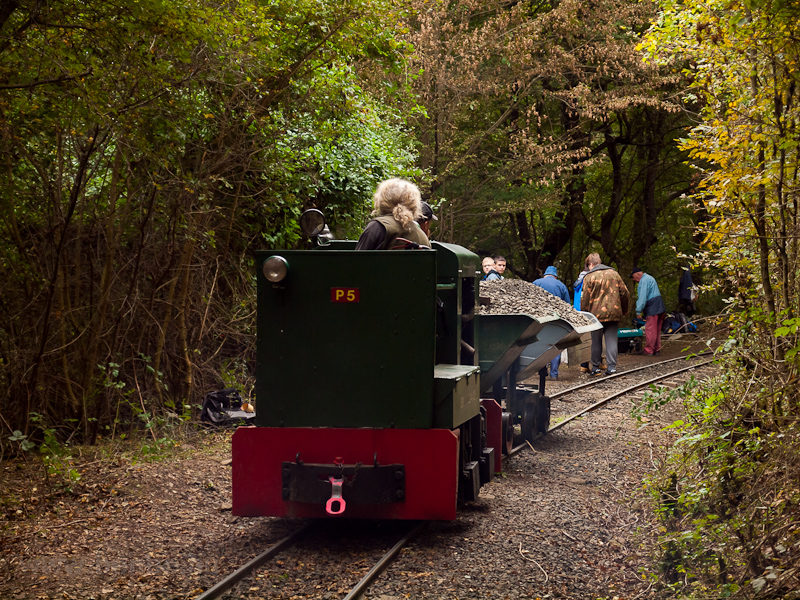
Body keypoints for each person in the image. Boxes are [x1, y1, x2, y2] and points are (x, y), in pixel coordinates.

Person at [581, 253, 630, 376]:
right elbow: (625, 293)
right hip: (614, 313)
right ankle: (611, 367)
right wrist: (624, 310)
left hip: (596, 315)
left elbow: (585, 298)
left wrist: (585, 314)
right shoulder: (614, 274)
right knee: (611, 339)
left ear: (591, 264)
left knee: (596, 341)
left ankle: (596, 368)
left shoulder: (589, 277)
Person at [355, 179, 430, 250]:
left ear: (382, 200)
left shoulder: (377, 227)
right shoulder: (422, 237)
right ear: (414, 204)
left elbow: (357, 262)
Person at [533, 266, 571, 380]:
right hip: (556, 320)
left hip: (540, 319)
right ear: (555, 276)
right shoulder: (561, 285)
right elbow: (567, 306)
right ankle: (554, 373)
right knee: (555, 345)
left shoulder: (536, 282)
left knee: (540, 344)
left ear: (545, 274)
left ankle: (542, 371)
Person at [631, 267, 667, 356]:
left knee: (650, 329)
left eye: (633, 277)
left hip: (652, 307)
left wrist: (638, 311)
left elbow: (642, 298)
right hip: (660, 306)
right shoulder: (650, 278)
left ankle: (649, 350)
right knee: (657, 329)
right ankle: (656, 349)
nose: (633, 279)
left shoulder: (643, 281)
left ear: (637, 274)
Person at [572, 261, 591, 372]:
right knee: (594, 337)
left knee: (583, 339)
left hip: (578, 312)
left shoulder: (578, 281)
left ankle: (583, 365)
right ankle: (599, 362)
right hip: (587, 311)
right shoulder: (589, 279)